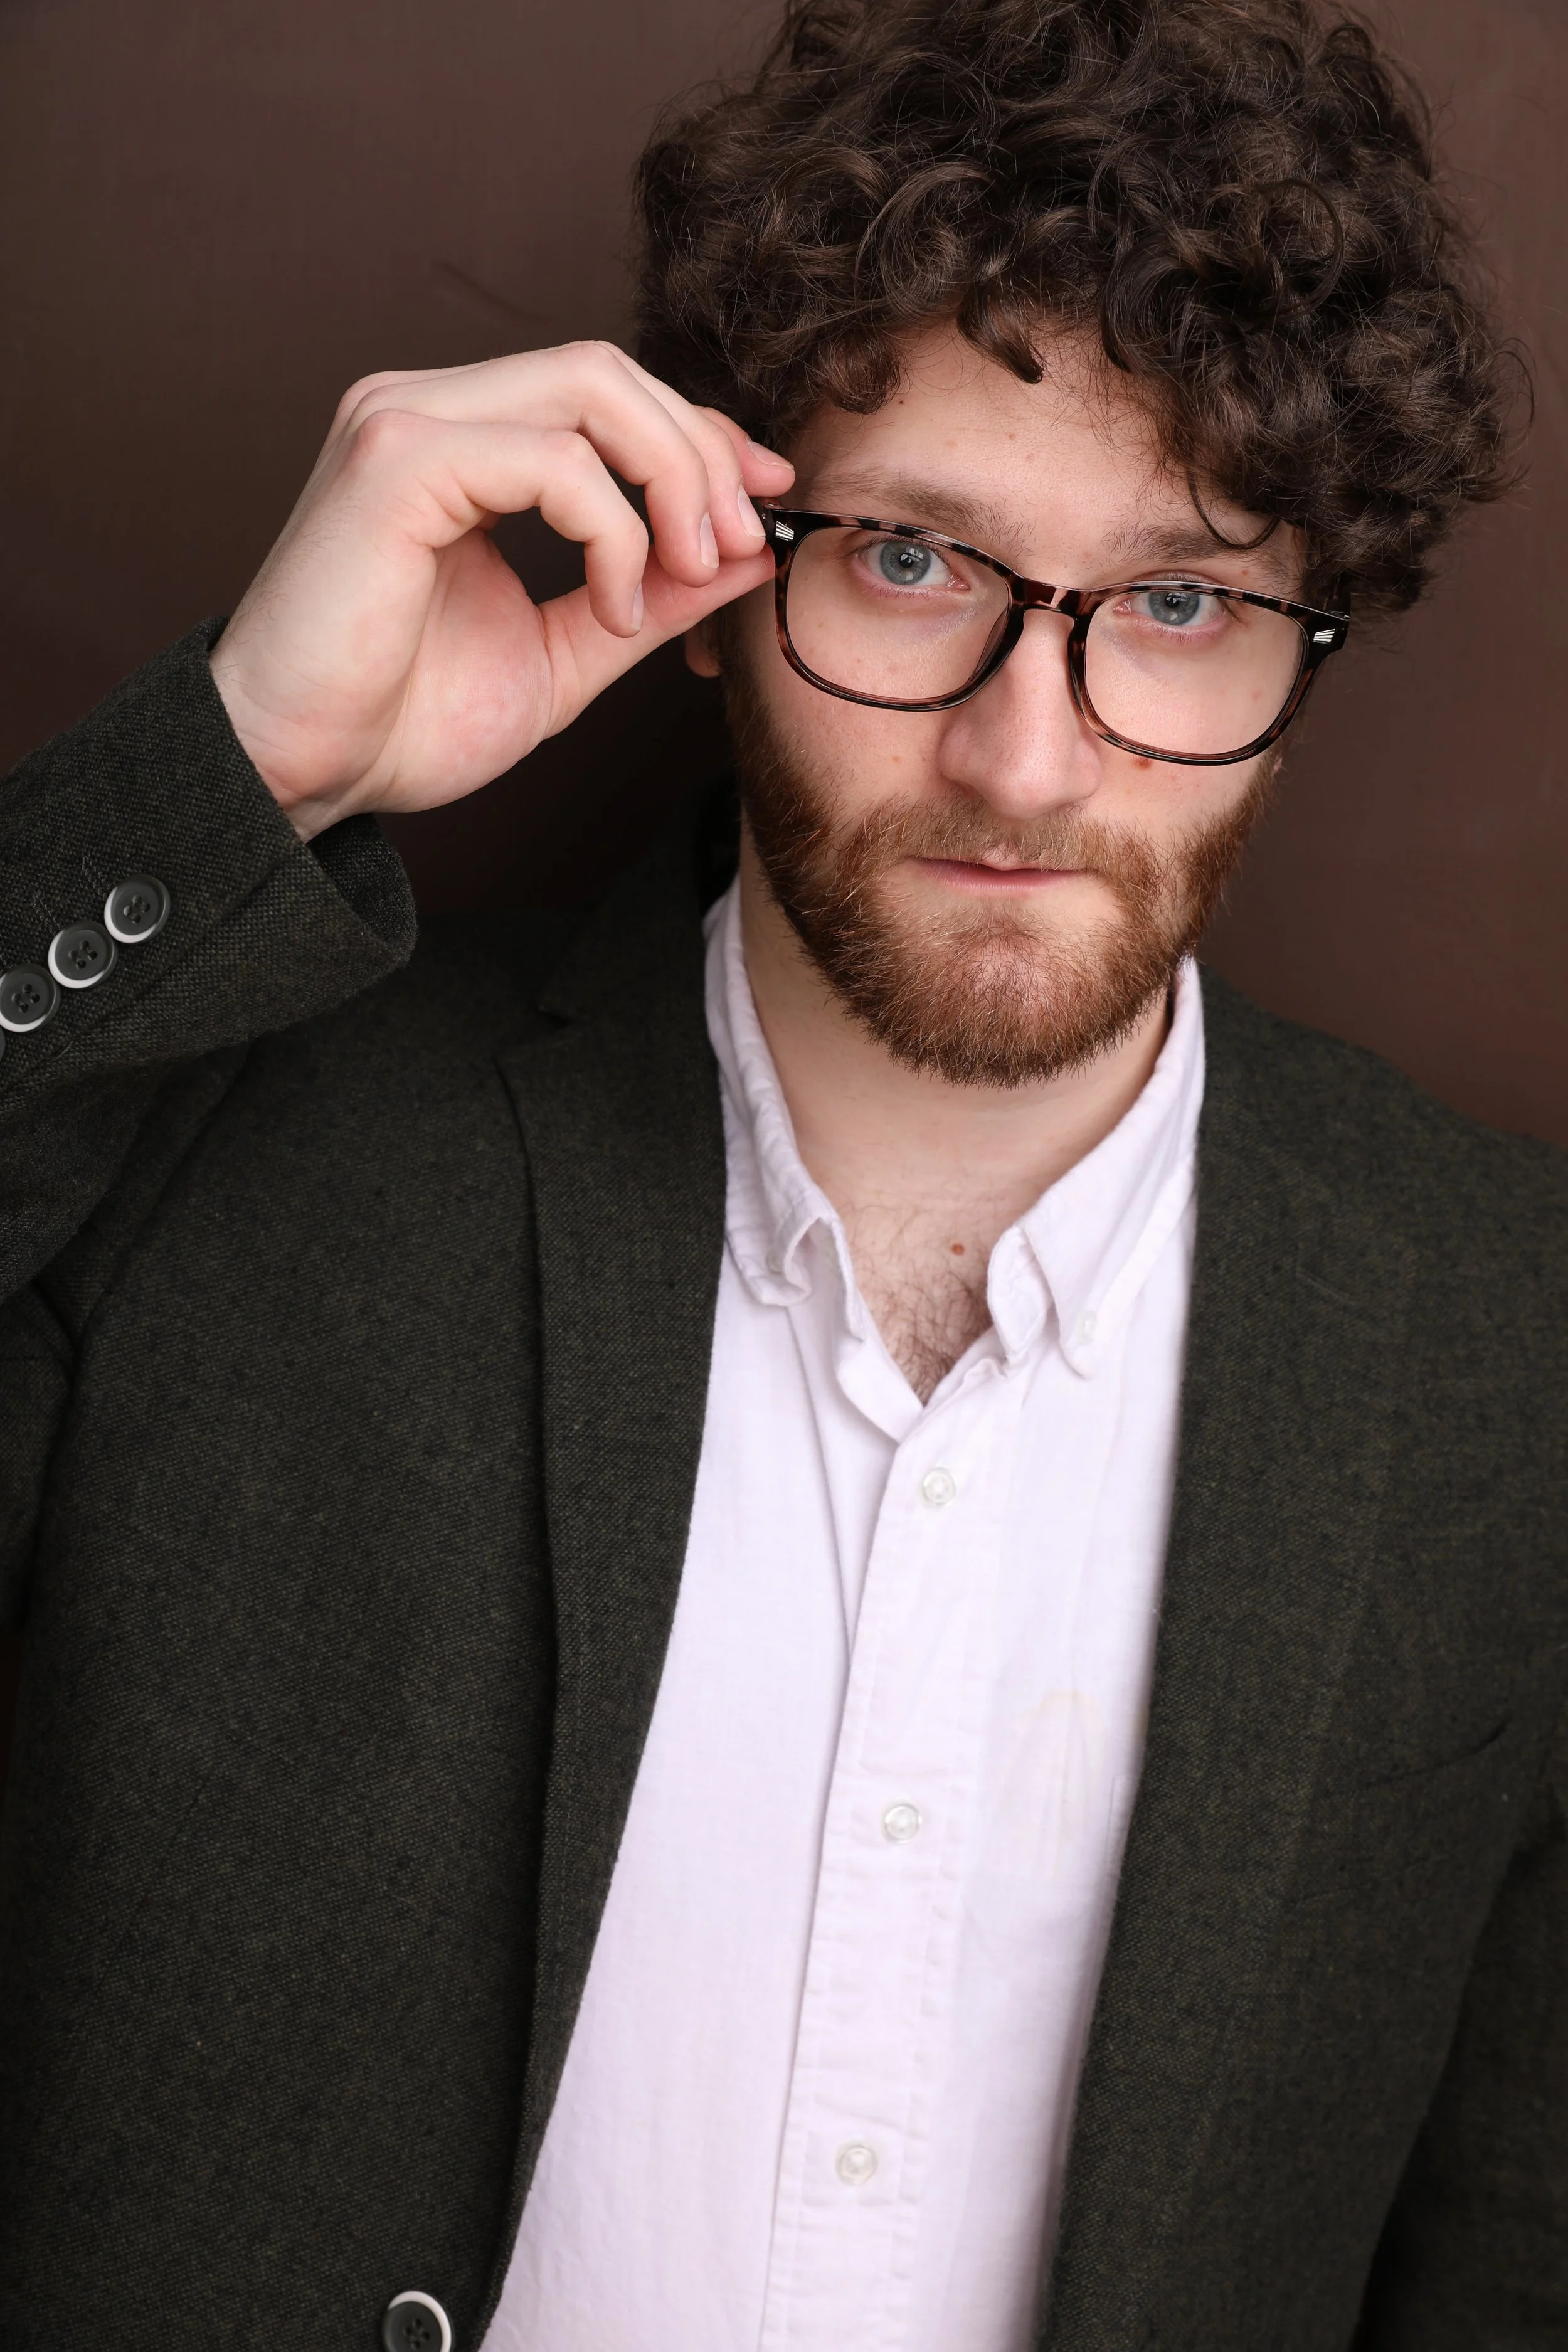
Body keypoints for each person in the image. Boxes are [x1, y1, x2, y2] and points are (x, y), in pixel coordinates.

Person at [0, 0, 1562, 2344]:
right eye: (916, 561)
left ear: (1301, 647)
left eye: (1174, 602)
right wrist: (236, 772)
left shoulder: (1509, 1346)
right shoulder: (220, 1155)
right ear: (728, 561)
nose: (1029, 763)